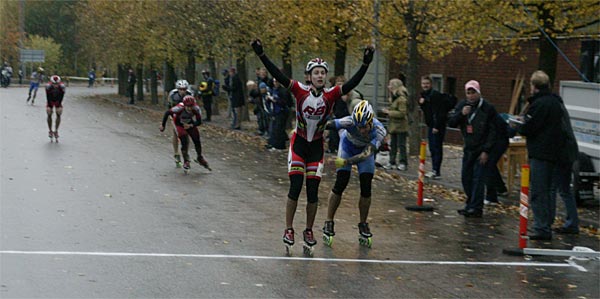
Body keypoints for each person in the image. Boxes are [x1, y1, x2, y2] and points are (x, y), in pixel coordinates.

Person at [251, 38, 374, 252]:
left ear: (326, 77)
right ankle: (289, 228)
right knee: (296, 186)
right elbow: (278, 75)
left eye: (322, 73)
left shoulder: (332, 93)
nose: (319, 76)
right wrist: (261, 55)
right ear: (309, 76)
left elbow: (352, 84)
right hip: (299, 145)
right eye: (315, 72)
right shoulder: (299, 89)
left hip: (316, 148)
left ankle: (308, 229)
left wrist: (365, 64)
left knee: (313, 191)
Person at [515, 70, 572, 240]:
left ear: (534, 86)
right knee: (549, 191)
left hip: (541, 153)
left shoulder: (539, 105)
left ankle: (541, 227)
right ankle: (546, 223)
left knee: (539, 191)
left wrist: (519, 125)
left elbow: (529, 127)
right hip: (555, 153)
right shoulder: (556, 102)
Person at [322, 100, 386, 247]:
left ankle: (363, 223)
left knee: (366, 186)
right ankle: (329, 221)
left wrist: (346, 162)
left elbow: (366, 154)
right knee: (341, 183)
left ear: (371, 122)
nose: (361, 130)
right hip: (347, 147)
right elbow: (328, 125)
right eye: (358, 127)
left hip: (363, 153)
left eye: (364, 127)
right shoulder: (349, 122)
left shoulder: (379, 130)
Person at [448, 80, 498, 218]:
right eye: (468, 93)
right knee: (466, 177)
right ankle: (470, 203)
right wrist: (461, 114)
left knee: (478, 178)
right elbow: (451, 121)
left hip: (481, 148)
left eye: (473, 92)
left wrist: (486, 150)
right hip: (469, 147)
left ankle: (476, 207)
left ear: (478, 92)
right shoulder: (463, 106)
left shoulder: (487, 108)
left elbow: (493, 130)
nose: (471, 96)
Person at [550, 94, 580, 234]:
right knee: (565, 189)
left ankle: (570, 222)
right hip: (569, 153)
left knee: (558, 188)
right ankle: (572, 221)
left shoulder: (555, 111)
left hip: (562, 155)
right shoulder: (561, 108)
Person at [160, 95, 210, 171]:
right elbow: (167, 113)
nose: (190, 108)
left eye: (191, 106)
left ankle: (199, 157)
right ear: (184, 105)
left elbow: (199, 121)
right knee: (184, 141)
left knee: (197, 139)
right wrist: (163, 125)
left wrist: (191, 125)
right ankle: (186, 160)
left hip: (189, 123)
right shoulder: (179, 108)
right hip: (179, 123)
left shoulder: (196, 108)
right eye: (188, 106)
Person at [418, 76, 453, 179]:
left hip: (437, 126)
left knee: (436, 148)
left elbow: (439, 112)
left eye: (427, 83)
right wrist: (422, 104)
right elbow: (427, 111)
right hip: (431, 125)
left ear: (431, 84)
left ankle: (436, 171)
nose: (425, 85)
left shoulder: (435, 96)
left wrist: (436, 126)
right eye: (423, 83)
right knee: (432, 148)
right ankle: (434, 169)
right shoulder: (424, 96)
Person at [382, 78, 409, 171]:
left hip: (400, 126)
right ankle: (392, 161)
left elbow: (402, 113)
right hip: (393, 126)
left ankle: (403, 162)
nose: (388, 87)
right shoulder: (393, 98)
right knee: (392, 145)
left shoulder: (401, 99)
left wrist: (389, 112)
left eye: (390, 85)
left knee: (401, 145)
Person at [483, 113, 510, 205]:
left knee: (488, 165)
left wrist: (486, 149)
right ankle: (500, 188)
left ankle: (491, 196)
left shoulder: (486, 112)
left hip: (497, 141)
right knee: (490, 166)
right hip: (497, 140)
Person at [166, 80, 193, 167]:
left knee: (187, 135)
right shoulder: (173, 95)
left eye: (184, 89)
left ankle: (186, 152)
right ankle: (176, 153)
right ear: (178, 89)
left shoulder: (190, 94)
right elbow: (169, 106)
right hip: (175, 116)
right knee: (176, 133)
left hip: (186, 117)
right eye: (180, 89)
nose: (182, 91)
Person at [326, 76, 351, 154]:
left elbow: (345, 99)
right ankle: (333, 148)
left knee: (342, 134)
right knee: (332, 132)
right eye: (337, 84)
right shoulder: (334, 92)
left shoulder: (345, 93)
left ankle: (343, 149)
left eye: (341, 84)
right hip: (336, 115)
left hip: (344, 116)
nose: (338, 85)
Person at [266, 78, 291, 150]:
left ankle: (280, 145)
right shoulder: (274, 90)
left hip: (282, 112)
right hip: (275, 111)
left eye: (277, 81)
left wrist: (275, 100)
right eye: (274, 82)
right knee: (275, 128)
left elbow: (285, 102)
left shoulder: (283, 91)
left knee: (279, 128)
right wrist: (269, 99)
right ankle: (273, 143)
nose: (275, 83)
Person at [45, 75, 66, 141]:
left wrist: (59, 105)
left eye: (56, 84)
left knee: (59, 113)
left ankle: (56, 130)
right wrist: (49, 106)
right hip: (50, 101)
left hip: (58, 101)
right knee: (49, 112)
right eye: (54, 84)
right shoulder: (48, 86)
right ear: (51, 83)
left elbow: (62, 97)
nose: (55, 85)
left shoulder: (62, 86)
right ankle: (50, 130)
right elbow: (47, 97)